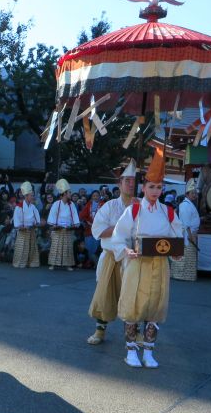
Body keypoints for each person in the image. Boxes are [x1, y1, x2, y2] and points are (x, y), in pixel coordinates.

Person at [111, 145, 183, 368]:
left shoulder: (168, 211)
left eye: (159, 187)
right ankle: (131, 350)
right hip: (137, 263)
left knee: (154, 307)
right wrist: (126, 250)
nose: (155, 191)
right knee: (133, 306)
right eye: (151, 186)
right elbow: (118, 235)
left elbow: (176, 236)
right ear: (143, 187)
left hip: (159, 265)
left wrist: (177, 252)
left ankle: (149, 351)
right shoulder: (133, 210)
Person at [86, 160, 138, 345]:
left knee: (133, 295)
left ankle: (134, 333)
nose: (131, 184)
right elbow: (97, 231)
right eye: (127, 181)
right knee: (105, 293)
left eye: (133, 181)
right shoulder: (109, 206)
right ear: (119, 184)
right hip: (111, 257)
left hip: (133, 258)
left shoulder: (140, 206)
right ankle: (100, 331)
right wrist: (119, 227)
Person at [171, 178, 200, 281]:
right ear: (187, 194)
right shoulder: (185, 205)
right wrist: (191, 236)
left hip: (191, 233)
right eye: (193, 193)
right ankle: (181, 275)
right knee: (186, 254)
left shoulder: (189, 204)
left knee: (189, 255)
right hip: (187, 234)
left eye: (195, 193)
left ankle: (185, 275)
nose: (195, 195)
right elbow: (186, 223)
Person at [47, 178, 79, 271]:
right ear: (64, 193)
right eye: (69, 192)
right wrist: (54, 225)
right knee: (55, 247)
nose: (70, 194)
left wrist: (74, 225)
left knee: (67, 247)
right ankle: (53, 264)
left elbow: (74, 216)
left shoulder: (71, 204)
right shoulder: (56, 204)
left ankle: (68, 264)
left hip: (68, 229)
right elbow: (52, 216)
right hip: (58, 229)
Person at [12, 182, 41, 268]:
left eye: (33, 195)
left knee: (32, 247)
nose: (32, 197)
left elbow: (37, 220)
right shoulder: (19, 207)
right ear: (26, 196)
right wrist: (21, 226)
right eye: (31, 195)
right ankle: (20, 262)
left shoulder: (33, 207)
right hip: (22, 230)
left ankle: (31, 262)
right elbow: (16, 221)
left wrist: (36, 224)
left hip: (31, 230)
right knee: (21, 247)